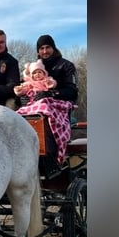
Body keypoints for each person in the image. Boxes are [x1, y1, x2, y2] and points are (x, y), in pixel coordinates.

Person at [16, 36, 78, 164]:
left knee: (44, 115)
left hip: (57, 106)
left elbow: (72, 92)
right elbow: (24, 87)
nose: (45, 51)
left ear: (53, 48)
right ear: (38, 51)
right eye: (41, 48)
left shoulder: (66, 65)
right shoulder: (34, 69)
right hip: (34, 107)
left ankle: (50, 156)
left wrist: (51, 93)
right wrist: (23, 96)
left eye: (47, 47)